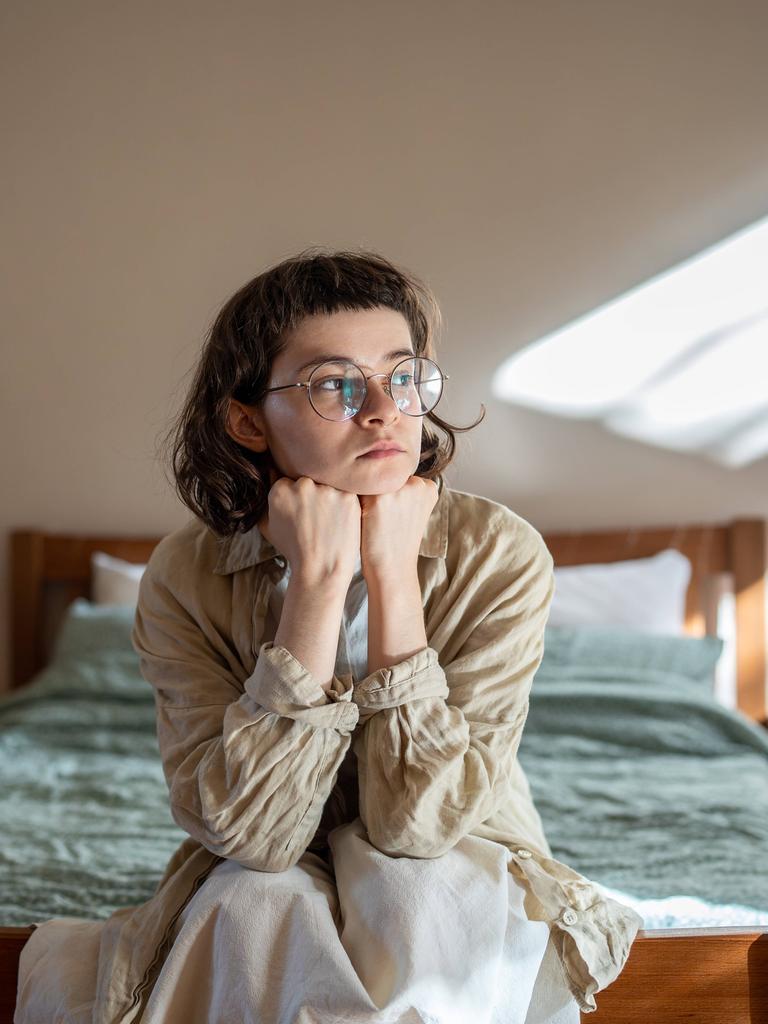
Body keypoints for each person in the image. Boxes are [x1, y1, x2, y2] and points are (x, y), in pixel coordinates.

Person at [15, 248, 642, 1024]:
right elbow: (256, 836)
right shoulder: (185, 574)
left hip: (456, 849)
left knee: (428, 892)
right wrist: (316, 579)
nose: (383, 409)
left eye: (403, 376)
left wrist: (393, 575)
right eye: (335, 384)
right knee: (253, 898)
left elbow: (419, 827)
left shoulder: (498, 553)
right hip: (263, 863)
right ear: (247, 420)